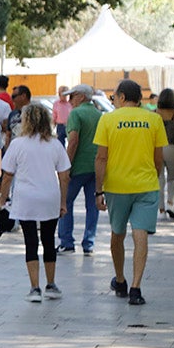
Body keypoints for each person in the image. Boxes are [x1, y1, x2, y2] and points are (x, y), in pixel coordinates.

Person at [95, 79, 166, 305]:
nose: (113, 100)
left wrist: (98, 190)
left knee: (117, 234)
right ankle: (136, 288)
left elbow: (101, 157)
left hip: (117, 186)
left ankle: (120, 279)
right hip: (146, 186)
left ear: (123, 97)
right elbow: (158, 160)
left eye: (114, 97)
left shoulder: (108, 120)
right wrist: (151, 177)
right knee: (140, 234)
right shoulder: (154, 119)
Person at [0, 102, 70, 302]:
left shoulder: (18, 144)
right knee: (49, 239)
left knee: (30, 241)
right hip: (49, 197)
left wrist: (2, 199)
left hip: (26, 198)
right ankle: (51, 284)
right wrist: (63, 202)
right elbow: (64, 175)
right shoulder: (55, 144)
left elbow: (7, 174)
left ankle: (34, 288)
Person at [58, 84, 102, 254]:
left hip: (78, 166)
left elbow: (73, 141)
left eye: (72, 96)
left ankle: (67, 241)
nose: (69, 100)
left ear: (81, 97)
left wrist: (66, 166)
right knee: (92, 205)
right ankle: (89, 243)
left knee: (65, 202)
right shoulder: (99, 114)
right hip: (96, 166)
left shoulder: (76, 114)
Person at [155, 88, 174, 219]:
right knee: (173, 177)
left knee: (159, 178)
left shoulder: (155, 114)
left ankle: (161, 210)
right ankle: (171, 204)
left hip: (158, 148)